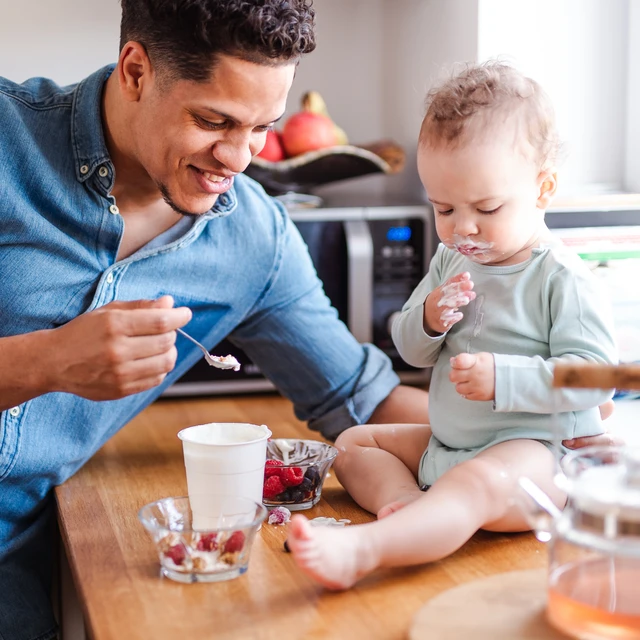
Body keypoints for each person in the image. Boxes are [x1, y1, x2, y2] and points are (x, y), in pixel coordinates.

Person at [287, 61, 619, 590]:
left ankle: (368, 550)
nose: (463, 228)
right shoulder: (452, 260)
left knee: (475, 483)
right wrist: (427, 319)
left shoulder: (560, 278)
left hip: (534, 457)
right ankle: (409, 511)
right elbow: (410, 350)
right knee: (350, 443)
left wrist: (502, 379)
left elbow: (596, 379)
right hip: (449, 444)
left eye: (486, 208)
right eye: (443, 208)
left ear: (544, 188)